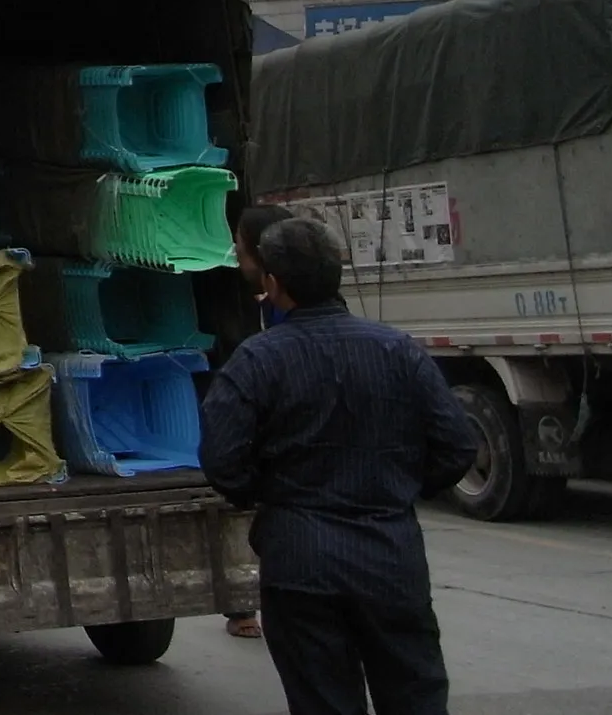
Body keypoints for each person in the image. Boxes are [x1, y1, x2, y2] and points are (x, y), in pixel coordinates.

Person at [200, 217, 478, 715]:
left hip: (300, 557)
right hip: (390, 557)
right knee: (415, 696)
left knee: (322, 700)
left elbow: (222, 459)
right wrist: (400, 488)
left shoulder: (256, 360)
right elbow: (458, 445)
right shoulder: (397, 351)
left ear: (273, 283)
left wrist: (267, 496)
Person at [224, 201, 293, 641]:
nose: (233, 249)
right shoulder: (245, 299)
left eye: (240, 243)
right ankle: (241, 603)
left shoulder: (290, 314)